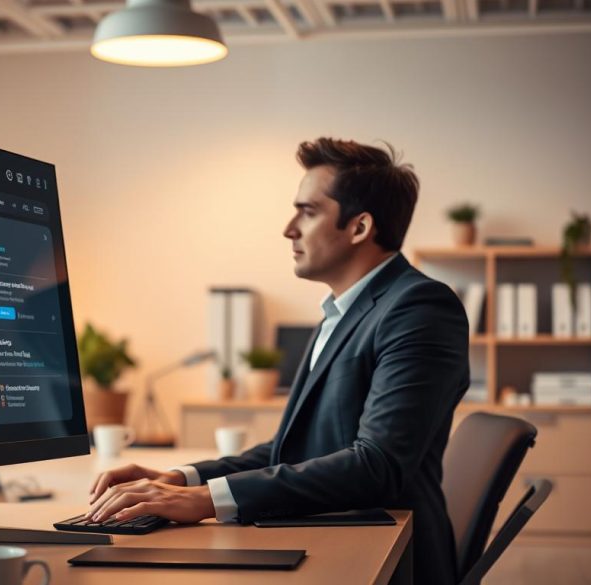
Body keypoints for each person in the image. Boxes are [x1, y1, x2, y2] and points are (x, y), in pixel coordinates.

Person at [87, 137, 468, 584]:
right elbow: (287, 450)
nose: (289, 228)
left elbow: (377, 464)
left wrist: (208, 500)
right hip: (334, 537)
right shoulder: (339, 312)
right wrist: (181, 479)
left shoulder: (419, 307)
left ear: (359, 227)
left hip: (389, 562)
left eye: (308, 212)